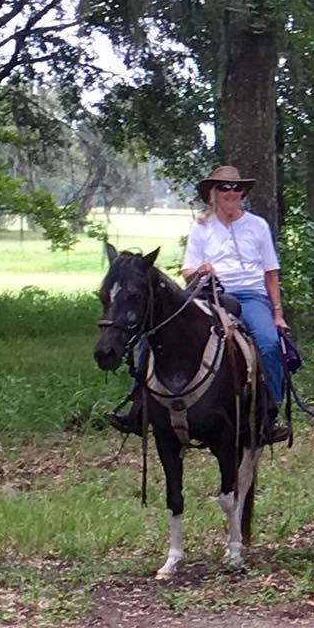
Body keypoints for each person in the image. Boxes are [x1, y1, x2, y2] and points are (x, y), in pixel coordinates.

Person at [107, 164, 292, 444]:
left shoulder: (258, 226)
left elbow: (271, 273)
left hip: (250, 294)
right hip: (207, 292)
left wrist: (277, 312)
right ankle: (139, 406)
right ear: (213, 194)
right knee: (150, 333)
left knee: (267, 342)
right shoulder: (201, 227)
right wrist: (202, 270)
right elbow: (187, 271)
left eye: (236, 188)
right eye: (224, 188)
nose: (231, 193)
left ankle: (268, 413)